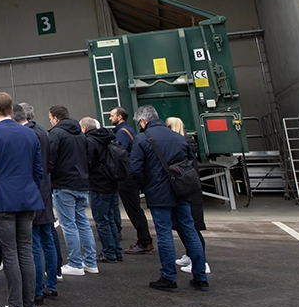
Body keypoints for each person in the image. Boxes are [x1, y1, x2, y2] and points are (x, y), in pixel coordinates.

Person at [0, 93, 44, 307]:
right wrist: (30, 190)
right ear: (11, 109)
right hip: (27, 198)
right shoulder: (30, 133)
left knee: (10, 253)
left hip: (3, 201)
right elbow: (38, 170)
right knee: (26, 251)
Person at [130, 105, 208, 292]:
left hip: (158, 193)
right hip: (181, 190)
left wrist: (146, 187)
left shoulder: (142, 139)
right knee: (190, 231)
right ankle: (200, 276)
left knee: (164, 234)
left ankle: (169, 277)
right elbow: (190, 163)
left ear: (143, 121)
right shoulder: (178, 137)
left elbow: (135, 170)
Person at [47, 105, 98, 276]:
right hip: (81, 183)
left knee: (68, 224)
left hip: (64, 184)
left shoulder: (56, 133)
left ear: (55, 118)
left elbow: (50, 158)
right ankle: (90, 262)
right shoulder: (80, 134)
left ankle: (75, 263)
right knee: (83, 222)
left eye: (50, 118)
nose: (50, 121)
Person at [22, 102, 66, 274]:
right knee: (48, 232)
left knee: (34, 238)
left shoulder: (27, 134)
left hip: (34, 188)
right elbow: (49, 162)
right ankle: (55, 273)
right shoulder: (43, 132)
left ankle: (38, 282)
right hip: (45, 186)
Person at [165, 117, 209, 275]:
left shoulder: (178, 144)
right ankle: (191, 255)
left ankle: (201, 262)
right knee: (187, 225)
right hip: (190, 188)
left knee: (191, 227)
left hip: (183, 188)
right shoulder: (187, 142)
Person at [110, 106, 153, 255]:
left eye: (112, 115)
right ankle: (145, 240)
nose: (110, 118)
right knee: (135, 209)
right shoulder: (128, 130)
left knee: (134, 210)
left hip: (126, 177)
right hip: (131, 175)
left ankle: (144, 241)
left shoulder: (121, 133)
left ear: (120, 117)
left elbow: (117, 153)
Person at [82, 116, 123, 263]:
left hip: (98, 184)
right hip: (112, 181)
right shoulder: (107, 138)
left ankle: (109, 252)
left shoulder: (89, 141)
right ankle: (117, 250)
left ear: (84, 128)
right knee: (110, 218)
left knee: (101, 220)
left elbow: (88, 163)